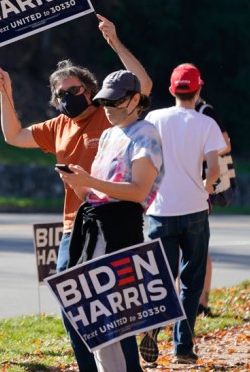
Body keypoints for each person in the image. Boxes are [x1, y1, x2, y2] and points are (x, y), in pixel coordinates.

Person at [0, 14, 152, 372]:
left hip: (113, 222)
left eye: (74, 90)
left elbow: (142, 84)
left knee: (114, 304)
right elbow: (13, 136)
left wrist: (114, 42)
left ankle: (129, 367)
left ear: (90, 91)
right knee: (72, 301)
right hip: (72, 227)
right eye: (60, 94)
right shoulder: (58, 126)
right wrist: (6, 92)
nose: (68, 97)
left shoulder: (109, 115)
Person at [57, 69, 163, 372]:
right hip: (94, 227)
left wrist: (90, 181)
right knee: (91, 315)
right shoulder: (108, 134)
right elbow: (98, 188)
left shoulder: (146, 133)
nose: (108, 108)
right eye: (104, 102)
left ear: (134, 100)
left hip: (121, 231)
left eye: (114, 102)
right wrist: (78, 183)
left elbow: (139, 190)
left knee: (117, 317)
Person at [142, 63, 227, 365]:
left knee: (162, 276)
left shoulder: (154, 118)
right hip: (194, 209)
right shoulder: (206, 124)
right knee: (191, 281)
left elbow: (146, 157)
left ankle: (152, 327)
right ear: (198, 89)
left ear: (171, 90)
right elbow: (215, 169)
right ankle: (183, 349)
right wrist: (205, 187)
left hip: (160, 210)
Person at [195, 96, 233, 317]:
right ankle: (189, 302)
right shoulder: (176, 114)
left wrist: (198, 153)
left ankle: (203, 303)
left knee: (198, 248)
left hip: (202, 187)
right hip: (184, 187)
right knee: (185, 249)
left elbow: (226, 143)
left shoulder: (205, 111)